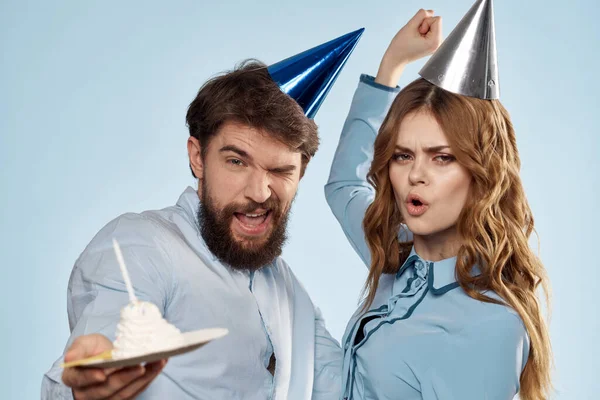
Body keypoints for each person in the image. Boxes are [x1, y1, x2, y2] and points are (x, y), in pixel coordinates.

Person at [40, 32, 364, 399]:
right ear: (198, 157)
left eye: (280, 171)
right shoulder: (143, 245)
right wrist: (91, 381)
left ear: (300, 174)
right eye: (237, 161)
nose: (260, 192)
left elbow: (355, 390)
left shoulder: (289, 294)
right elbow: (111, 328)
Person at [325, 8, 552, 400]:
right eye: (402, 156)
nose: (416, 175)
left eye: (442, 157)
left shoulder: (492, 327)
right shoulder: (396, 254)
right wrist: (392, 65)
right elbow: (345, 182)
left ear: (482, 175)